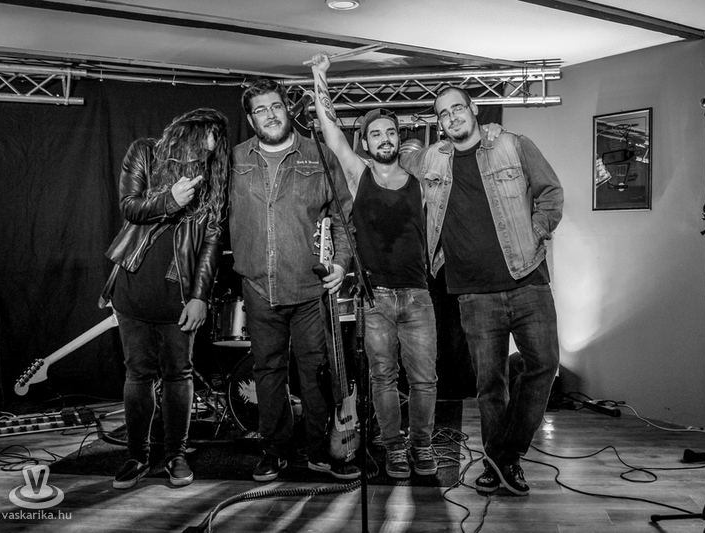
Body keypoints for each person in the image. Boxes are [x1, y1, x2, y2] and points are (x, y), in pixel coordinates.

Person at [399, 87, 563, 496]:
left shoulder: (513, 145)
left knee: (544, 365)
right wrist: (402, 146)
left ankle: (503, 454)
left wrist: (536, 231)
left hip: (527, 279)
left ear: (473, 109)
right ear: (439, 123)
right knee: (490, 386)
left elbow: (550, 191)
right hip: (473, 294)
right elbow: (402, 158)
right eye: (443, 114)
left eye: (458, 108)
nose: (452, 117)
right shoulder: (434, 159)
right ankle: (501, 464)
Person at [309, 52, 438, 479]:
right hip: (375, 297)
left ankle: (422, 446)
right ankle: (394, 448)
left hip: (418, 295)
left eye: (391, 132)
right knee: (383, 378)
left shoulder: (420, 181)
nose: (385, 139)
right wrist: (319, 76)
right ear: (365, 143)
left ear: (399, 139)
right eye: (376, 134)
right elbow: (331, 131)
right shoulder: (359, 175)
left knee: (424, 380)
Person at [229, 77, 359, 482]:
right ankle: (275, 451)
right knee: (268, 372)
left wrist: (341, 264)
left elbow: (343, 217)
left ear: (287, 108)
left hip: (309, 287)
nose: (270, 115)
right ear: (251, 119)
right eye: (260, 110)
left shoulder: (317, 155)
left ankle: (319, 451)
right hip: (258, 286)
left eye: (275, 106)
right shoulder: (234, 160)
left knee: (315, 372)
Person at [99, 108, 229, 490]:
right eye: (203, 141)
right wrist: (170, 200)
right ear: (186, 135)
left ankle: (176, 454)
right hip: (134, 289)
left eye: (213, 147)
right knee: (138, 373)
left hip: (180, 295)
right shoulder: (145, 153)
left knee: (178, 375)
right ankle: (136, 455)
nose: (207, 151)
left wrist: (201, 296)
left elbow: (211, 242)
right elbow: (130, 206)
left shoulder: (211, 180)